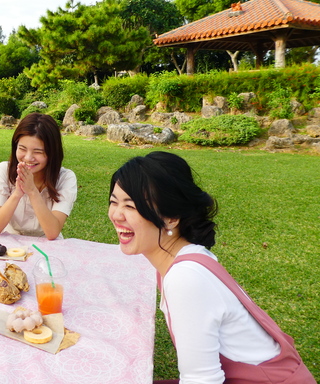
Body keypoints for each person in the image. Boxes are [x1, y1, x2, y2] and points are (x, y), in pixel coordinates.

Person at [108, 151, 314, 384]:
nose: (116, 214)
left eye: (131, 206)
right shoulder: (185, 256)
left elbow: (202, 380)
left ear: (172, 217)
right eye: (114, 202)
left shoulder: (185, 278)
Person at [0, 112, 77, 240]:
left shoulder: (66, 178)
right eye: (22, 149)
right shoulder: (4, 170)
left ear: (52, 153)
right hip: (10, 243)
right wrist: (17, 193)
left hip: (48, 246)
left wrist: (32, 191)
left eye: (38, 152)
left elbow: (52, 233)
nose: (28, 158)